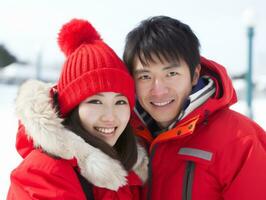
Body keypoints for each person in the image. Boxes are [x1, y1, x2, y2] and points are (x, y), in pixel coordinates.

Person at [123, 15, 266, 200]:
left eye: (171, 73)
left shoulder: (240, 140)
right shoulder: (124, 136)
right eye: (145, 77)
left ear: (194, 74)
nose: (158, 90)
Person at [7, 19, 148, 200]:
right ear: (72, 108)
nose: (110, 116)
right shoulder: (42, 174)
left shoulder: (129, 169)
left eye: (120, 102)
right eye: (96, 101)